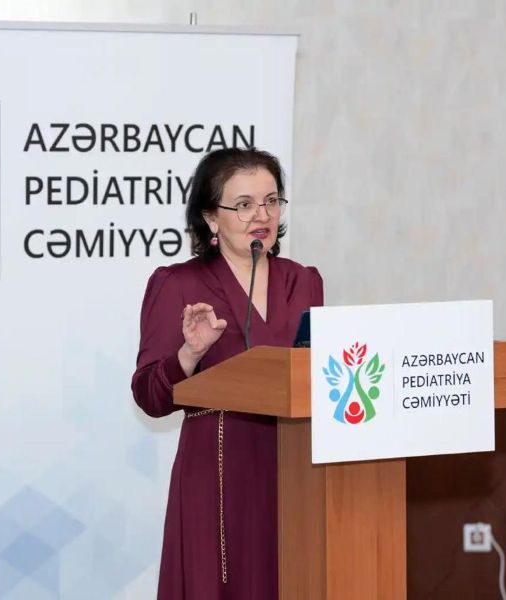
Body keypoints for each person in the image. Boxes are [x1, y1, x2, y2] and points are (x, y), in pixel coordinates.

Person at [131, 147, 324, 599]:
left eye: (271, 201)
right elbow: (148, 396)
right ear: (210, 218)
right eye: (243, 204)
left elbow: (317, 373)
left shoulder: (303, 281)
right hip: (217, 474)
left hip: (296, 467)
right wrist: (189, 353)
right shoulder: (178, 283)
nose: (262, 215)